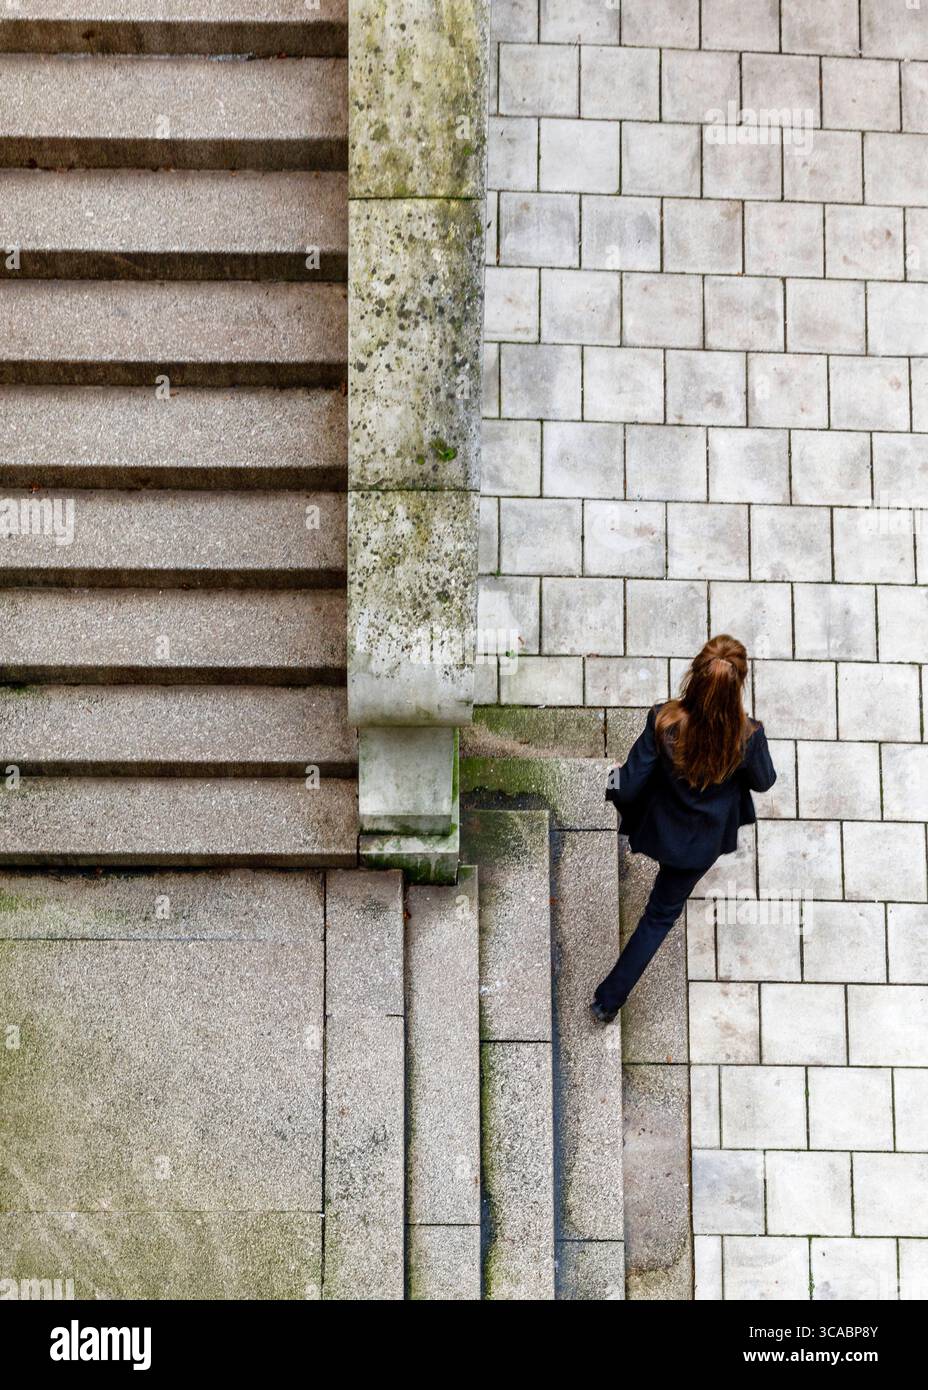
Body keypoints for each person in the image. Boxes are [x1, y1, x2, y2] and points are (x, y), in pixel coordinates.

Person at [592, 634, 776, 1023]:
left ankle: (609, 999)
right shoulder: (747, 737)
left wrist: (611, 783)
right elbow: (764, 782)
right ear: (738, 687)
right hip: (701, 846)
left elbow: (627, 785)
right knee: (658, 918)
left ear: (693, 676)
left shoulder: (664, 721)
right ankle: (607, 1001)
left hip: (661, 831)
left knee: (657, 918)